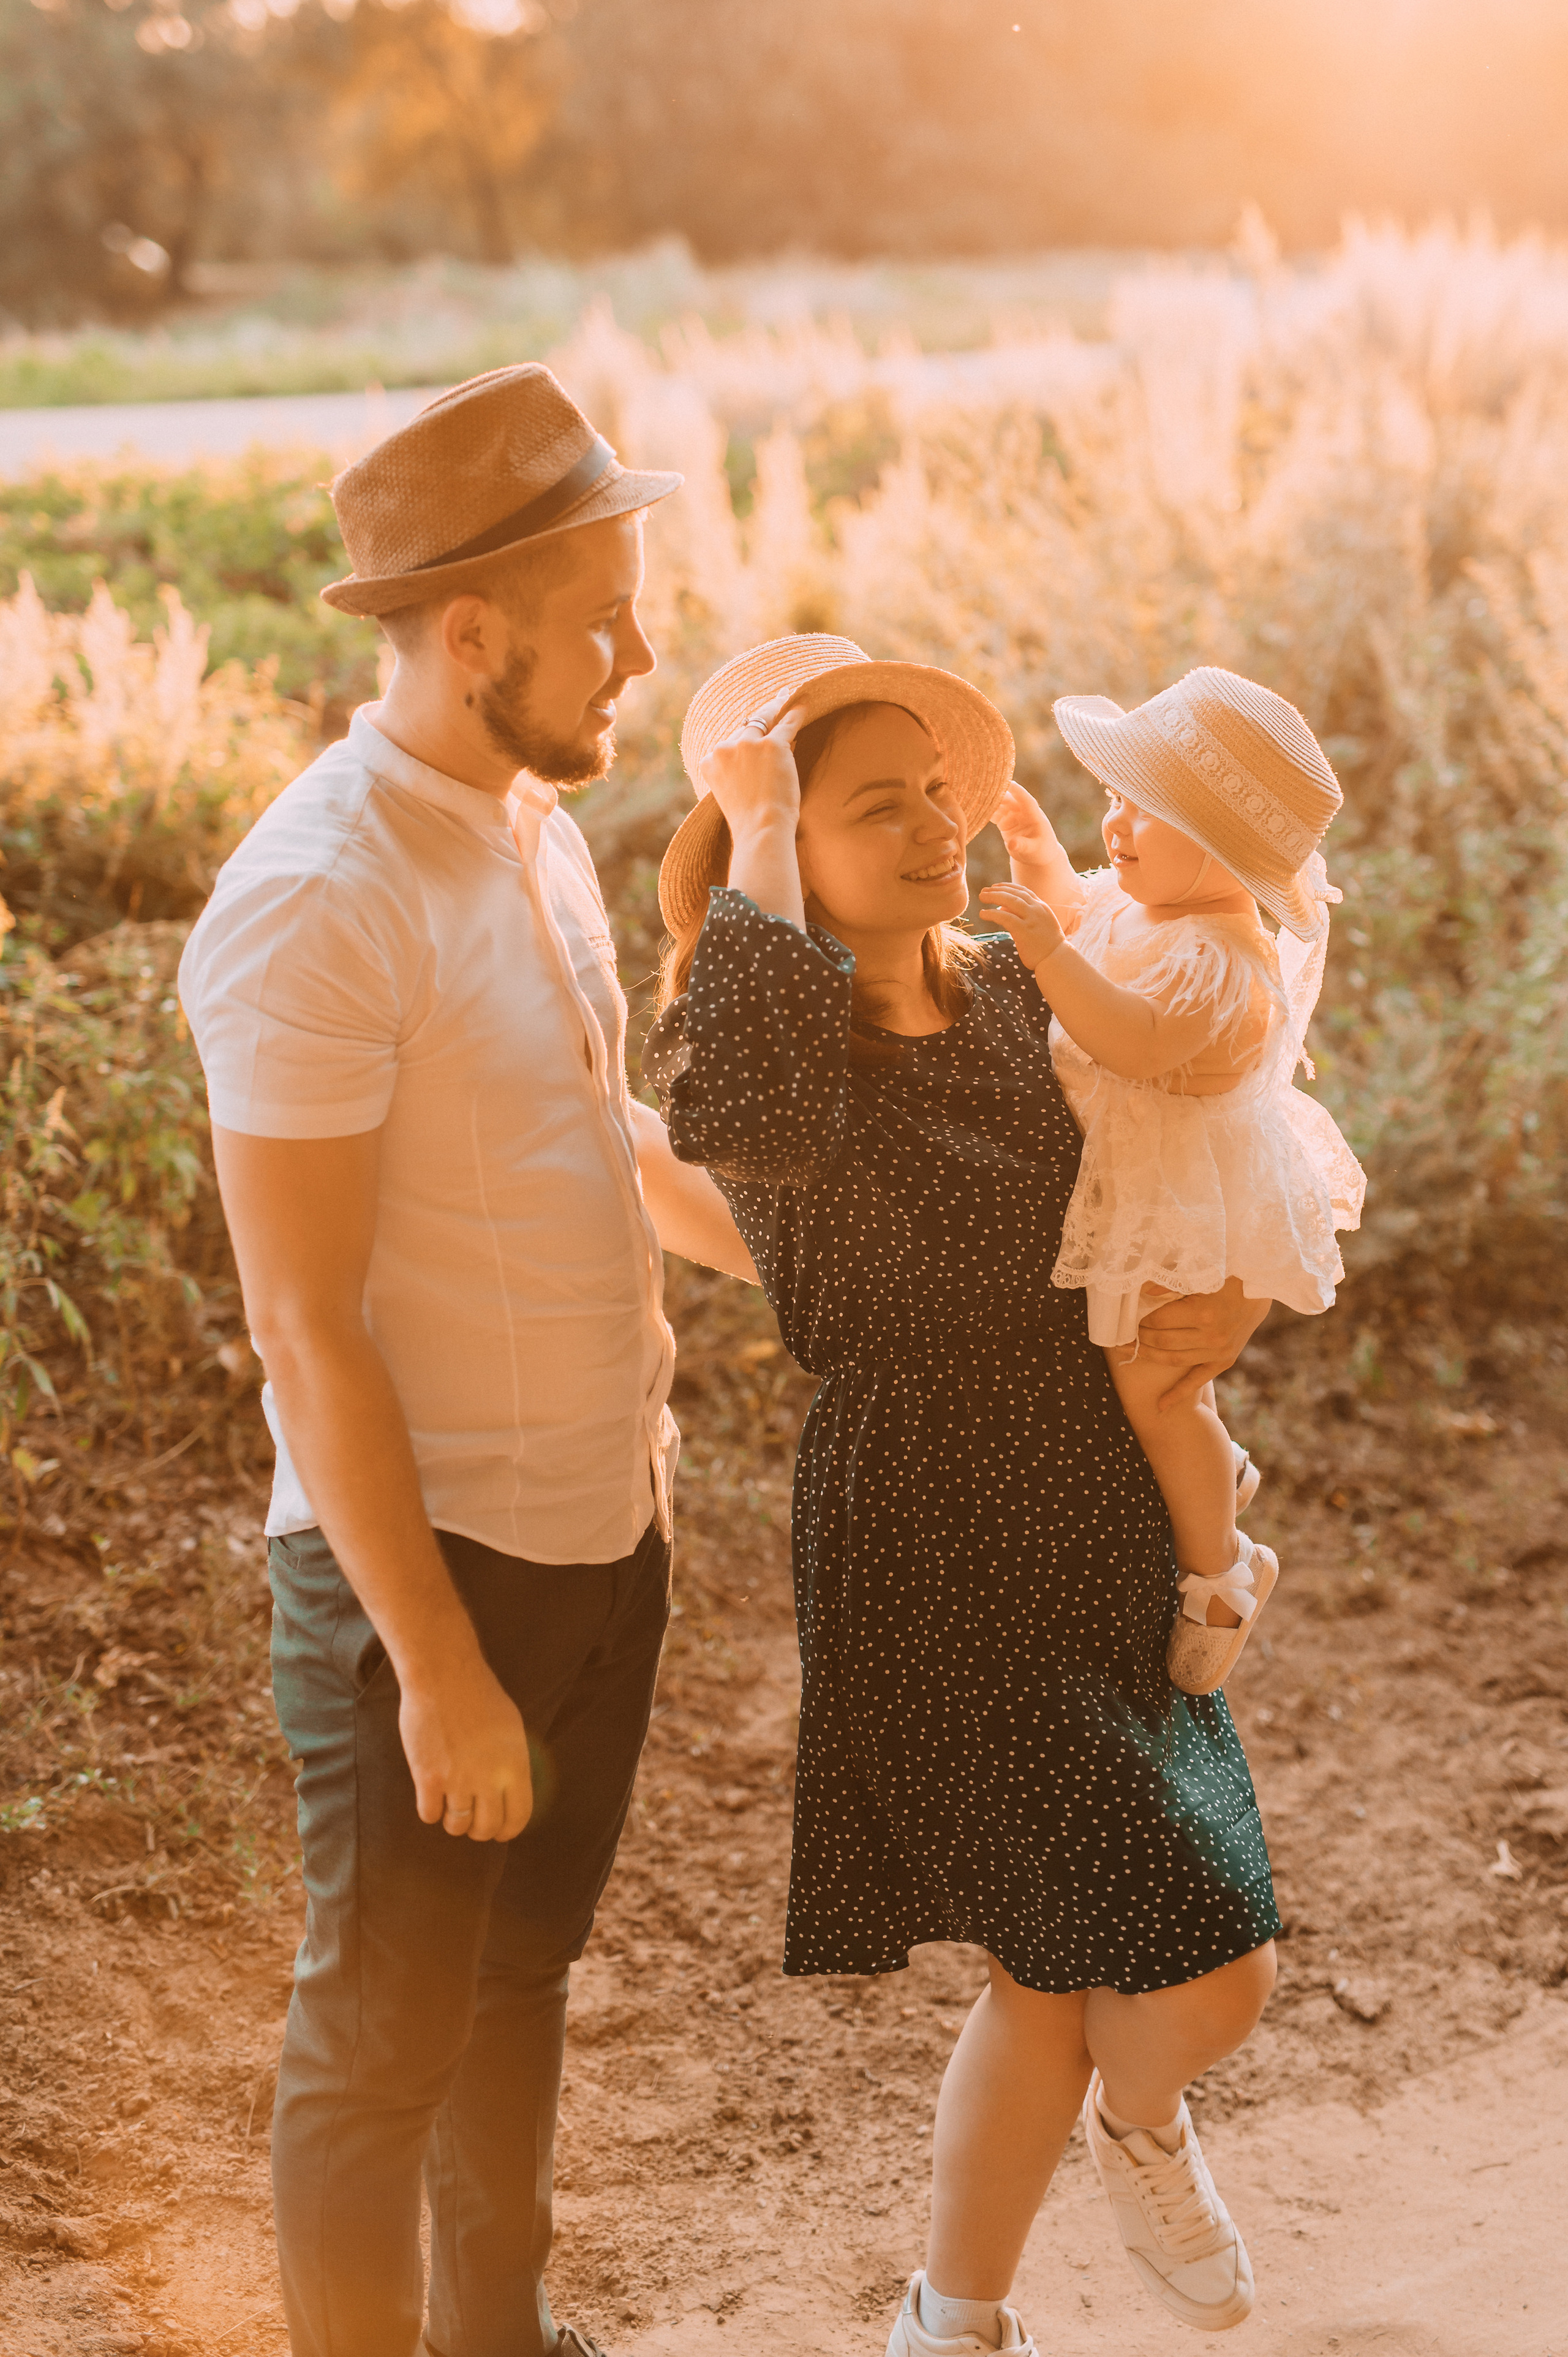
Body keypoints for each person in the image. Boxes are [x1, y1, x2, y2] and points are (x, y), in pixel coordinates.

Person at [178, 366, 755, 2357]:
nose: (648, 650)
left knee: (516, 1988)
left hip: (610, 1539)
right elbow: (300, 1325)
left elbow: (601, 1149)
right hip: (423, 1583)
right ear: (478, 631)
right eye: (612, 615)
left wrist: (815, 1255)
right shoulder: (316, 900)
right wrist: (436, 1665)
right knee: (380, 2042)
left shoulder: (536, 828)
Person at [645, 633, 1284, 2357]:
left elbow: (1197, 1141)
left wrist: (1231, 1298)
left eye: (937, 792)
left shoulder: (1018, 981)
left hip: (1094, 1494)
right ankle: (993, 2285)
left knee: (1090, 1971)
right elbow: (739, 1116)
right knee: (1156, 1958)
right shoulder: (773, 1045)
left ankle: (962, 2302)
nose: (937, 829)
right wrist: (759, 835)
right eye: (878, 809)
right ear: (787, 842)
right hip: (932, 1528)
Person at [981, 669, 1365, 1694]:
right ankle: (1219, 1472)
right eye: (1111, 800)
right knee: (1152, 1375)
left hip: (1182, 1195)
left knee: (1156, 1381)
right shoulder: (1139, 906)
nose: (1116, 827)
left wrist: (1049, 951)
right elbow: (1091, 923)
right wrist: (1040, 861)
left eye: (1145, 810)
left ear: (1230, 849)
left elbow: (1134, 1040)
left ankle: (1222, 1573)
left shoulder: (1224, 963)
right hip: (1140, 1178)